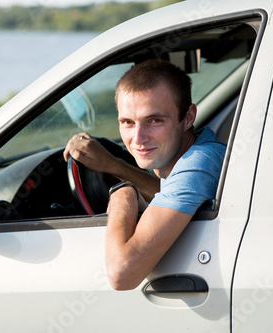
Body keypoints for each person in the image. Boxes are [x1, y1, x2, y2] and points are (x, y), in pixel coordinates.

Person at [63, 59, 226, 290]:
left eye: (154, 121)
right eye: (128, 122)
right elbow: (169, 190)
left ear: (188, 117)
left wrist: (122, 193)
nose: (138, 138)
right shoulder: (192, 152)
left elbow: (122, 274)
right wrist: (114, 166)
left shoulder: (200, 162)